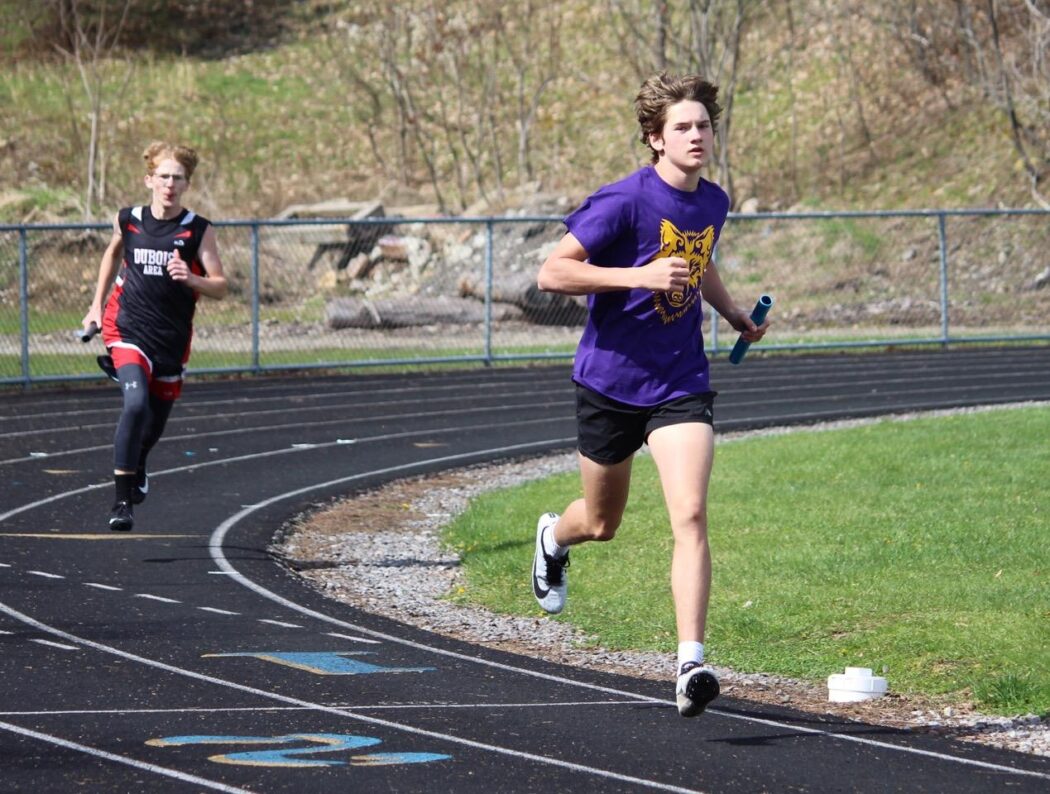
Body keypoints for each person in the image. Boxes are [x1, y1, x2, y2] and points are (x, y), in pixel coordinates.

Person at [532, 73, 768, 718]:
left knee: (689, 514)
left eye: (703, 126)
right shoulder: (623, 201)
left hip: (680, 381)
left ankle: (690, 662)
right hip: (610, 383)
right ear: (655, 140)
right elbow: (552, 271)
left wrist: (732, 313)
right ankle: (555, 538)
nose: (697, 136)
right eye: (683, 128)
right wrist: (635, 275)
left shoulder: (713, 201)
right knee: (601, 523)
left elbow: (701, 260)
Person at [82, 142, 227, 532]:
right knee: (134, 404)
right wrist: (96, 305)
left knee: (155, 422)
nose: (169, 184)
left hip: (171, 338)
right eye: (163, 176)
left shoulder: (198, 229)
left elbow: (221, 286)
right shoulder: (128, 219)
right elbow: (112, 254)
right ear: (150, 180)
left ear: (186, 184)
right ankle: (121, 501)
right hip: (126, 328)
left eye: (177, 178)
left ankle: (140, 460)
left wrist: (191, 277)